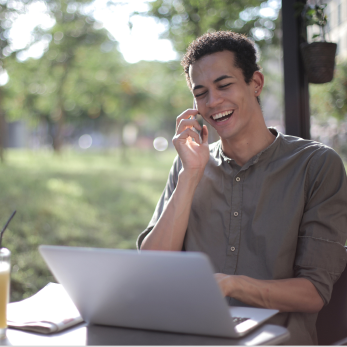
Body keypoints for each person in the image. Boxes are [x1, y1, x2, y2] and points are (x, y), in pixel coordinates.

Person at [136, 31, 347, 344]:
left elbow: (313, 292)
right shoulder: (189, 165)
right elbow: (152, 269)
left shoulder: (316, 166)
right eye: (201, 93)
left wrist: (231, 285)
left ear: (256, 83)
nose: (213, 102)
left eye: (224, 85)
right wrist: (191, 175)